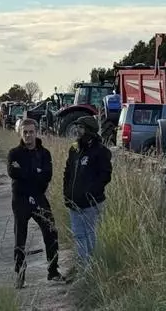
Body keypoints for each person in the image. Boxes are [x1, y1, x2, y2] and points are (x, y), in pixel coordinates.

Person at [7, 118, 65, 289]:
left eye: (31, 132)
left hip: (39, 197)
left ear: (36, 132)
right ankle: (20, 275)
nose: (28, 135)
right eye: (25, 132)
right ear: (20, 133)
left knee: (51, 231)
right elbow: (13, 172)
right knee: (20, 237)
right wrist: (35, 173)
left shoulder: (44, 154)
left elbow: (47, 176)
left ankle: (53, 271)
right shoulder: (14, 153)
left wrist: (27, 173)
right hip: (20, 199)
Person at [63, 114, 112, 273]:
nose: (77, 130)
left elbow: (105, 176)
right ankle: (83, 267)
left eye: (81, 127)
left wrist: (90, 193)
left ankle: (91, 269)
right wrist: (67, 193)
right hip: (74, 202)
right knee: (78, 235)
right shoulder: (74, 149)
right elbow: (67, 172)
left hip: (91, 203)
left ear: (90, 131)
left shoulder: (101, 151)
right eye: (77, 127)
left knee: (89, 236)